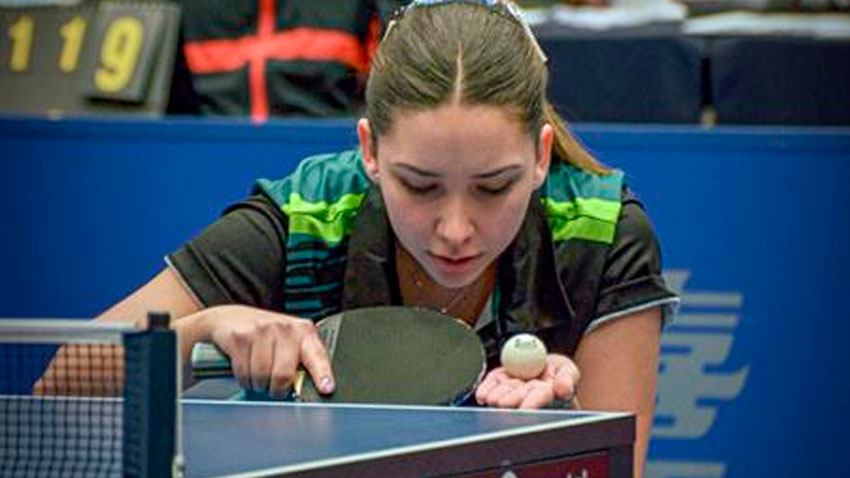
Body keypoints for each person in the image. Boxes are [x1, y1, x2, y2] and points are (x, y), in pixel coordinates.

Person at [37, 1, 677, 476]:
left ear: (540, 158)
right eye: (420, 186)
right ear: (370, 150)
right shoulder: (306, 215)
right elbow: (55, 394)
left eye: (493, 188)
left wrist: (564, 428)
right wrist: (201, 328)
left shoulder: (601, 231)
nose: (455, 230)